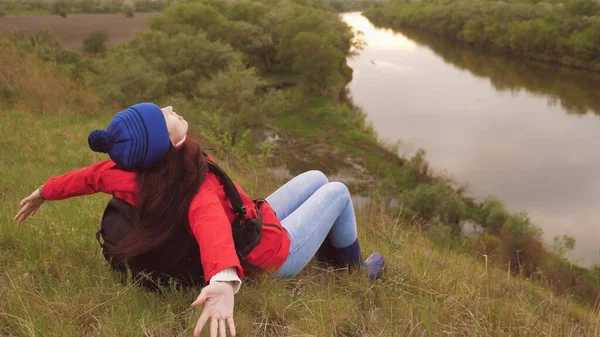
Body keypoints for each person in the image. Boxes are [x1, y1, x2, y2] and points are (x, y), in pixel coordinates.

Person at [14, 103, 385, 337]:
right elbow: (211, 227)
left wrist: (45, 191)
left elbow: (90, 176)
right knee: (336, 190)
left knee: (317, 176)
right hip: (272, 252)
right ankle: (353, 269)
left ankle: (330, 250)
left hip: (252, 220)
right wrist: (224, 281)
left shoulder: (133, 173)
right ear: (170, 143)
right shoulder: (194, 185)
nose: (172, 107)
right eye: (165, 115)